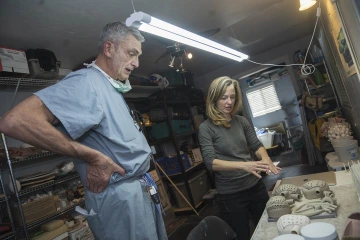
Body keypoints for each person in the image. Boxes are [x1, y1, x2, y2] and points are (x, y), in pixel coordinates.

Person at [0, 22, 167, 240]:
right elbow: (15, 121)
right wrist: (92, 156)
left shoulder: (111, 87)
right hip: (119, 201)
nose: (136, 63)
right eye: (131, 54)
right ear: (108, 49)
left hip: (136, 193)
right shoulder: (86, 83)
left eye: (138, 56)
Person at [198, 76, 281, 240]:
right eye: (224, 98)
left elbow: (256, 145)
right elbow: (211, 162)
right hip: (231, 195)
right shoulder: (205, 128)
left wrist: (267, 160)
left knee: (268, 227)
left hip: (255, 186)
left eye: (232, 96)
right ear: (214, 98)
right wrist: (245, 166)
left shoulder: (241, 121)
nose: (229, 102)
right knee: (241, 235)